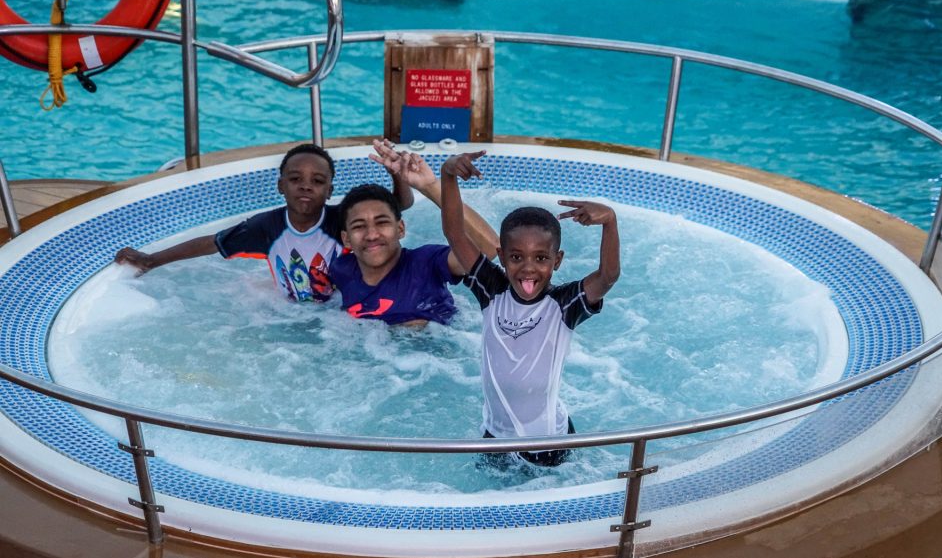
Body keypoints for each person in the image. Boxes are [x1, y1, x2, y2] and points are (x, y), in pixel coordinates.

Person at [440, 150, 620, 466]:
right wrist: (447, 175)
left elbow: (608, 276)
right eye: (516, 257)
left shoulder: (563, 305)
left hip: (548, 441)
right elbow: (455, 233)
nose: (528, 268)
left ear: (557, 261)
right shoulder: (491, 290)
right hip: (495, 437)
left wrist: (610, 223)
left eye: (541, 258)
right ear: (501, 255)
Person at [114, 142, 413, 302]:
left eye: (317, 181)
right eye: (295, 179)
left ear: (330, 191)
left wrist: (397, 174)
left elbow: (398, 206)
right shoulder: (266, 228)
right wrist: (151, 260)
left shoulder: (341, 219)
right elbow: (213, 242)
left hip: (346, 311)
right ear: (280, 186)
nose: (306, 186)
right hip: (293, 313)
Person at [327, 146, 498, 326]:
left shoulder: (425, 264)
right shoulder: (342, 270)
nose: (371, 235)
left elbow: (490, 249)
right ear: (346, 238)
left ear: (400, 229)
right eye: (359, 226)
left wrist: (430, 186)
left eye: (382, 222)